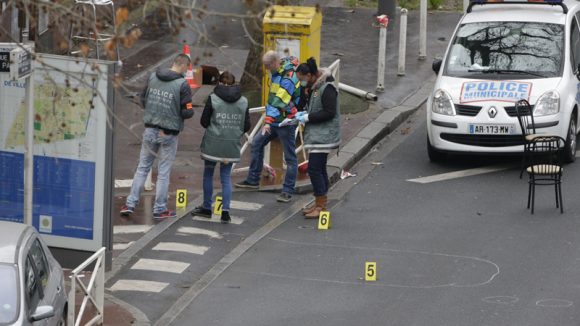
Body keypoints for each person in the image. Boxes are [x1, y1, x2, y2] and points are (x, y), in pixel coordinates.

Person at [120, 54, 194, 219]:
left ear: (173, 63)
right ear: (184, 66)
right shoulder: (182, 85)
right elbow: (187, 112)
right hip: (169, 133)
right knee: (163, 172)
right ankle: (159, 209)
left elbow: (142, 99)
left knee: (142, 168)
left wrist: (152, 111)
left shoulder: (153, 77)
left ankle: (130, 204)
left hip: (150, 129)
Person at [235, 51, 301, 203]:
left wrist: (268, 122)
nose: (265, 69)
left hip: (286, 121)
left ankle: (287, 190)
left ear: (274, 63)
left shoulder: (288, 78)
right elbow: (273, 99)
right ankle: (252, 180)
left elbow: (278, 101)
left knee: (290, 157)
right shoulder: (277, 71)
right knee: (257, 143)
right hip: (275, 120)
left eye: (267, 66)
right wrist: (270, 121)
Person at [191, 72, 250, 223]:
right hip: (231, 144)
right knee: (225, 177)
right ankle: (225, 211)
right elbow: (246, 125)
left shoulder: (213, 98)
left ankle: (206, 208)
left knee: (208, 174)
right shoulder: (243, 101)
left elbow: (204, 121)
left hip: (213, 142)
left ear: (219, 83)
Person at [295, 57, 340, 218]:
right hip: (318, 135)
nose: (301, 83)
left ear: (311, 75)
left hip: (324, 136)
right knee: (319, 168)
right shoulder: (314, 88)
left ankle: (321, 205)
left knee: (314, 168)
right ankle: (320, 201)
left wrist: (308, 117)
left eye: (302, 79)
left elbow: (329, 112)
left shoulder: (327, 88)